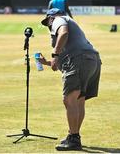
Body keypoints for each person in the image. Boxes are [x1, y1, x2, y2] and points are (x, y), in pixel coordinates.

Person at [39, 8, 102, 151]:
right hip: (92, 60)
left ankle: (74, 139)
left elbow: (64, 33)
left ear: (51, 17)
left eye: (47, 21)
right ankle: (73, 135)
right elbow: (66, 59)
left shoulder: (59, 19)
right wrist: (49, 62)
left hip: (80, 60)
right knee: (78, 100)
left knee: (69, 100)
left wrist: (54, 55)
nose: (48, 26)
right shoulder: (71, 24)